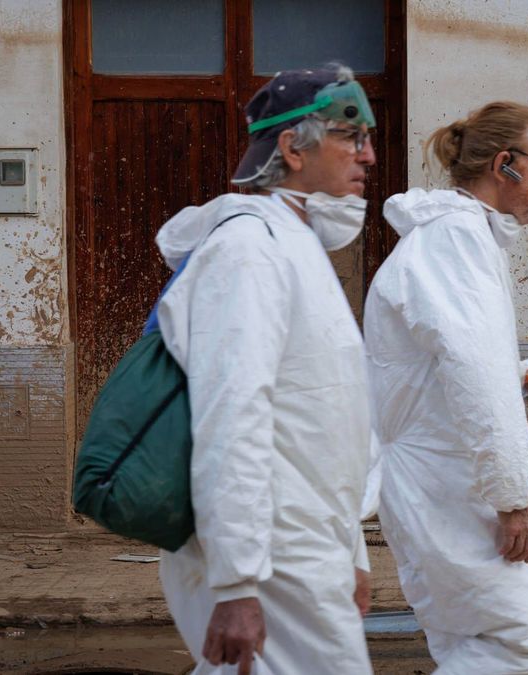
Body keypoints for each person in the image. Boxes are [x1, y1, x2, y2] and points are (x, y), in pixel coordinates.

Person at [153, 64, 377, 674]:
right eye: (352, 137)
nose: (370, 155)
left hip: (305, 544)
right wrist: (236, 584)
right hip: (273, 550)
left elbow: (323, 423)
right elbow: (233, 416)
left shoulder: (295, 247)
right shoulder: (248, 252)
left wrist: (351, 550)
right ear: (291, 149)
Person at [363, 102, 528, 674]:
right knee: (521, 641)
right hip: (446, 483)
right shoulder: (455, 240)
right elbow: (472, 370)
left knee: (467, 643)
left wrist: (522, 379)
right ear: (506, 164)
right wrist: (514, 498)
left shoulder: (461, 237)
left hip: (443, 477)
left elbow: (452, 367)